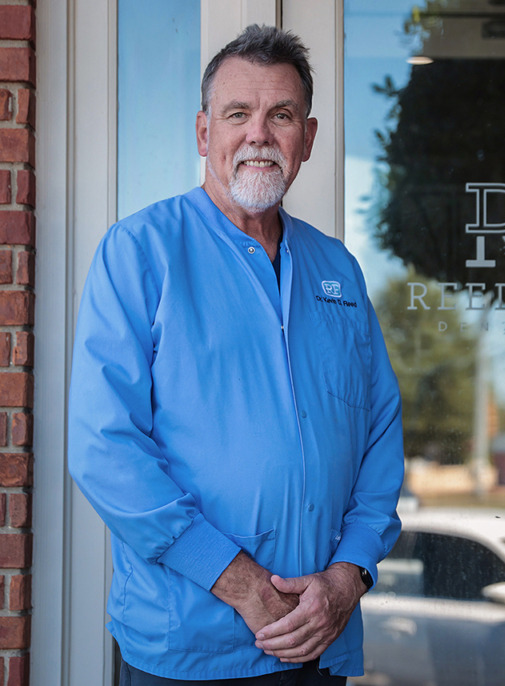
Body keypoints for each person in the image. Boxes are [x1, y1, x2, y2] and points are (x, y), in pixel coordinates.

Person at [68, 25, 404, 685]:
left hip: (321, 637)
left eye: (280, 115)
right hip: (189, 647)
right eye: (237, 114)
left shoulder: (337, 268)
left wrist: (345, 576)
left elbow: (379, 437)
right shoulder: (140, 253)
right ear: (203, 134)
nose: (258, 134)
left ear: (307, 139)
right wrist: (241, 582)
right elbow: (104, 447)